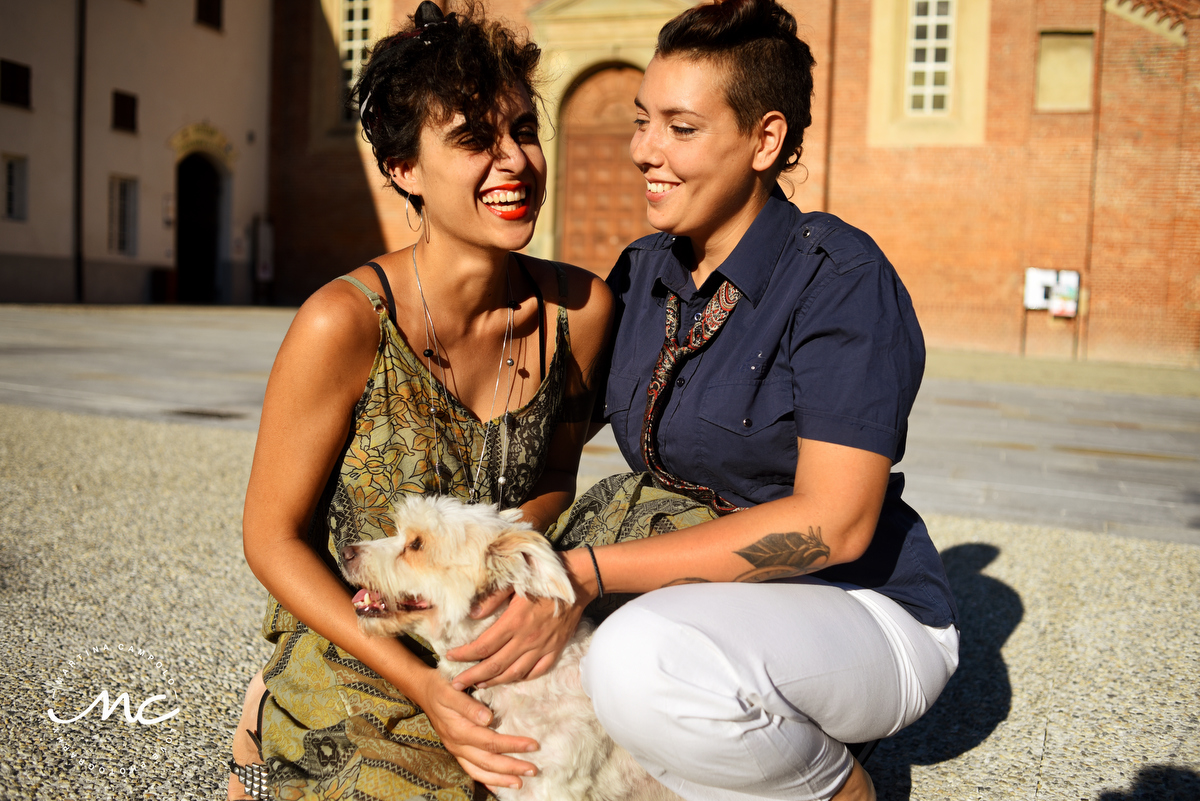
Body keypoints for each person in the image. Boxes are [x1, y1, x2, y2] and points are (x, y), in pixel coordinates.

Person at [445, 1, 960, 800]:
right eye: (643, 120)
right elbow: (542, 435)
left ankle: (837, 786)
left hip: (861, 606)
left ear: (766, 140)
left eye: (681, 129)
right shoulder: (645, 273)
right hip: (709, 607)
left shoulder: (840, 279)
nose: (644, 151)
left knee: (637, 659)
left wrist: (584, 573)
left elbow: (838, 521)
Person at [225, 3, 613, 798]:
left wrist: (508, 584)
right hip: (363, 625)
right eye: (474, 140)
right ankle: (269, 704)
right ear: (404, 170)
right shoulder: (343, 321)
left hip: (478, 610)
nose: (514, 162)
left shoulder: (583, 311)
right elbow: (270, 536)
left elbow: (553, 480)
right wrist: (424, 681)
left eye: (523, 132)